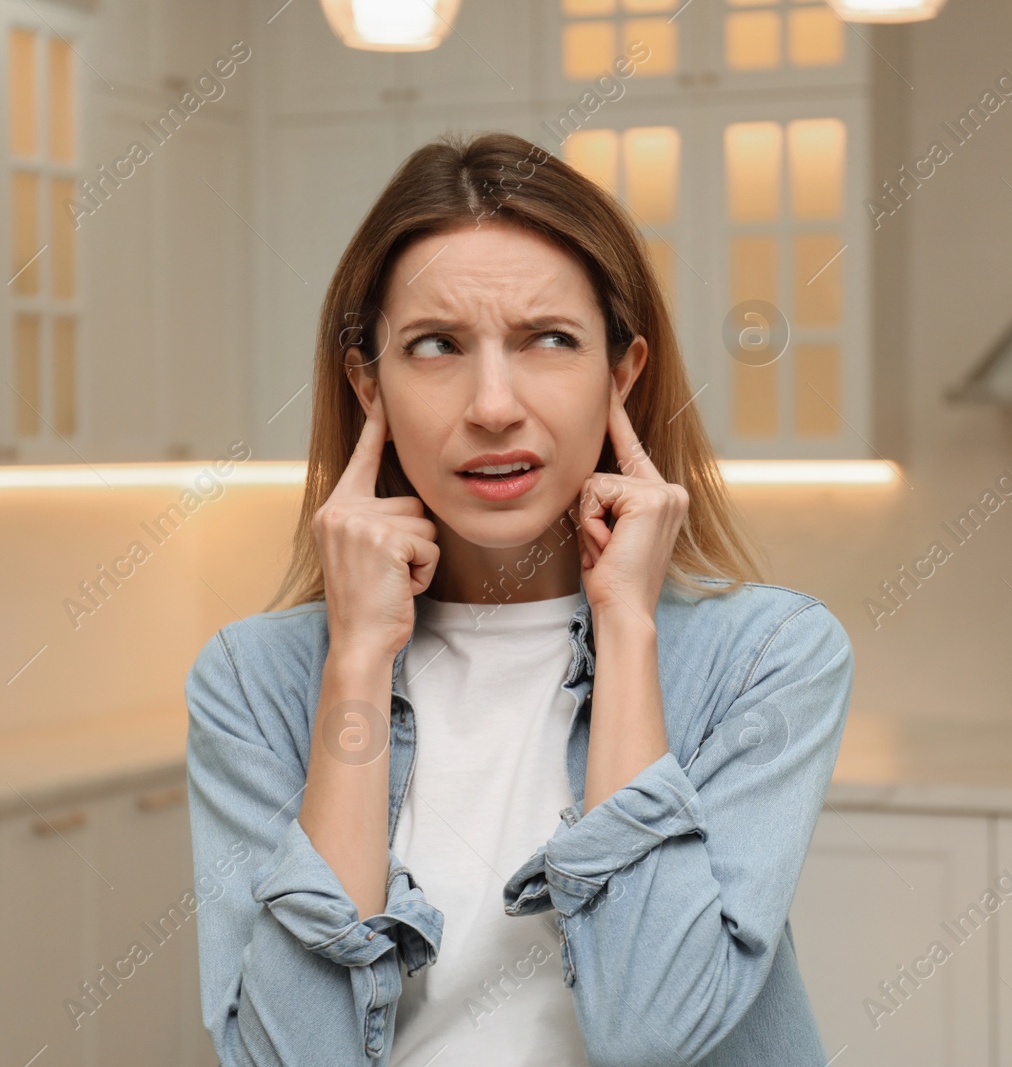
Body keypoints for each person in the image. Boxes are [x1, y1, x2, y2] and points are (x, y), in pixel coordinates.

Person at [184, 130, 855, 1066]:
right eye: (435, 346)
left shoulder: (767, 657)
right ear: (366, 382)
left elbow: (654, 1030)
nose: (493, 403)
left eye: (549, 339)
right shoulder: (252, 683)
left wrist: (626, 624)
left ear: (623, 372)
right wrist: (356, 661)